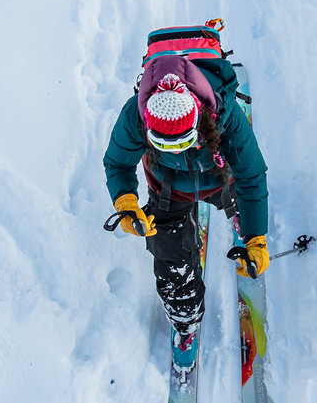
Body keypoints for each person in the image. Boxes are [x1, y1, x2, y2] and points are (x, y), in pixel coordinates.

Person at [105, 32, 268, 347]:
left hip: (220, 178)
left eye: (183, 142)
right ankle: (185, 320)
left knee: (241, 196)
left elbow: (252, 175)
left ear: (199, 118)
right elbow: (117, 163)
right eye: (166, 144)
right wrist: (125, 201)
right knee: (172, 267)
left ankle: (240, 217)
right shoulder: (134, 116)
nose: (177, 151)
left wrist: (255, 236)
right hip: (168, 189)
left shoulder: (225, 114)